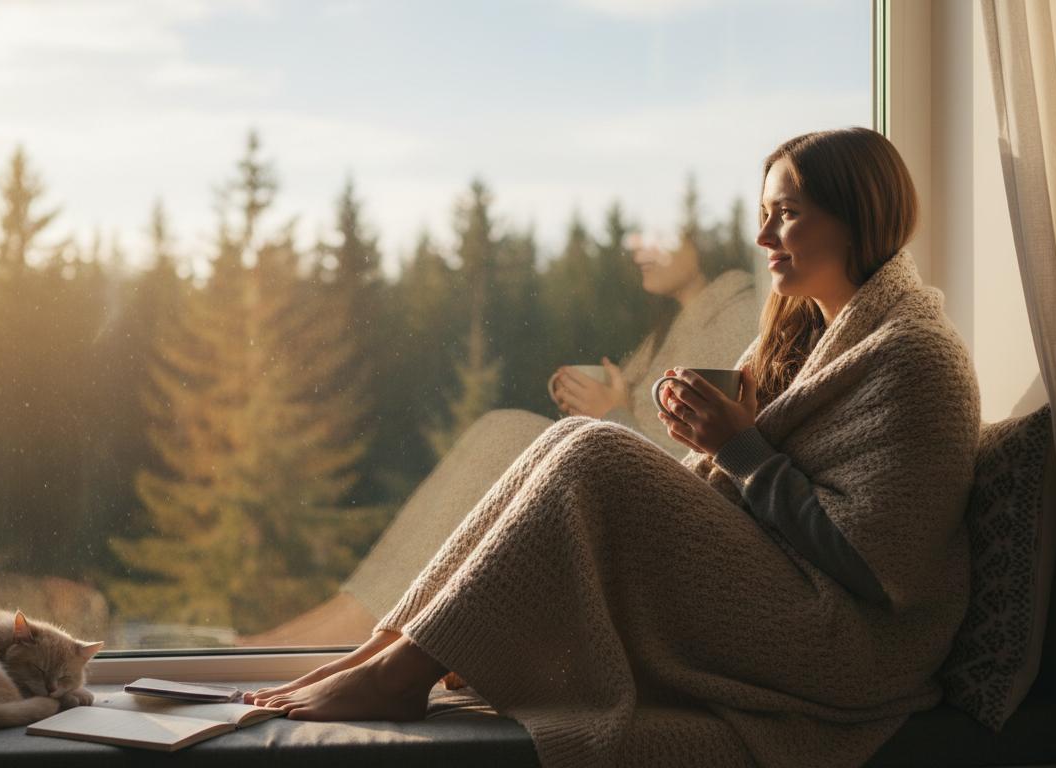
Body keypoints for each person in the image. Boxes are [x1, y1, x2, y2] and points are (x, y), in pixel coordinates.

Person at [244, 126, 981, 768]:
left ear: (860, 215)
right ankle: (385, 652)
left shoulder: (916, 356)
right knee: (570, 437)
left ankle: (396, 677)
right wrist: (713, 443)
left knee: (595, 451)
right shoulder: (801, 336)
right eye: (763, 214)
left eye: (785, 214)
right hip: (791, 596)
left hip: (853, 650)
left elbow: (877, 567)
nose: (763, 238)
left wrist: (739, 449)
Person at [238, 223, 759, 647]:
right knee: (504, 433)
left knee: (507, 434)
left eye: (656, 231)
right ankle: (323, 630)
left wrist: (611, 412)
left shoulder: (736, 315)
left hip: (656, 539)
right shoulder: (683, 323)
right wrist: (597, 404)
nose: (638, 245)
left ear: (696, 237)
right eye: (636, 233)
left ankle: (349, 633)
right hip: (614, 495)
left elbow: (702, 471)